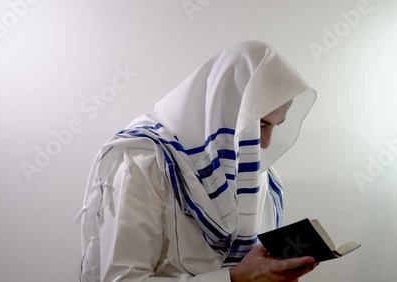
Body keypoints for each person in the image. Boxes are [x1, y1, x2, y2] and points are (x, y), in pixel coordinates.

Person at [75, 40, 318, 281]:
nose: (265, 142)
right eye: (260, 124)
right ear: (226, 107)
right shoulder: (143, 162)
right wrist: (232, 279)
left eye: (276, 125)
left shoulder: (259, 175)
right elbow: (122, 278)